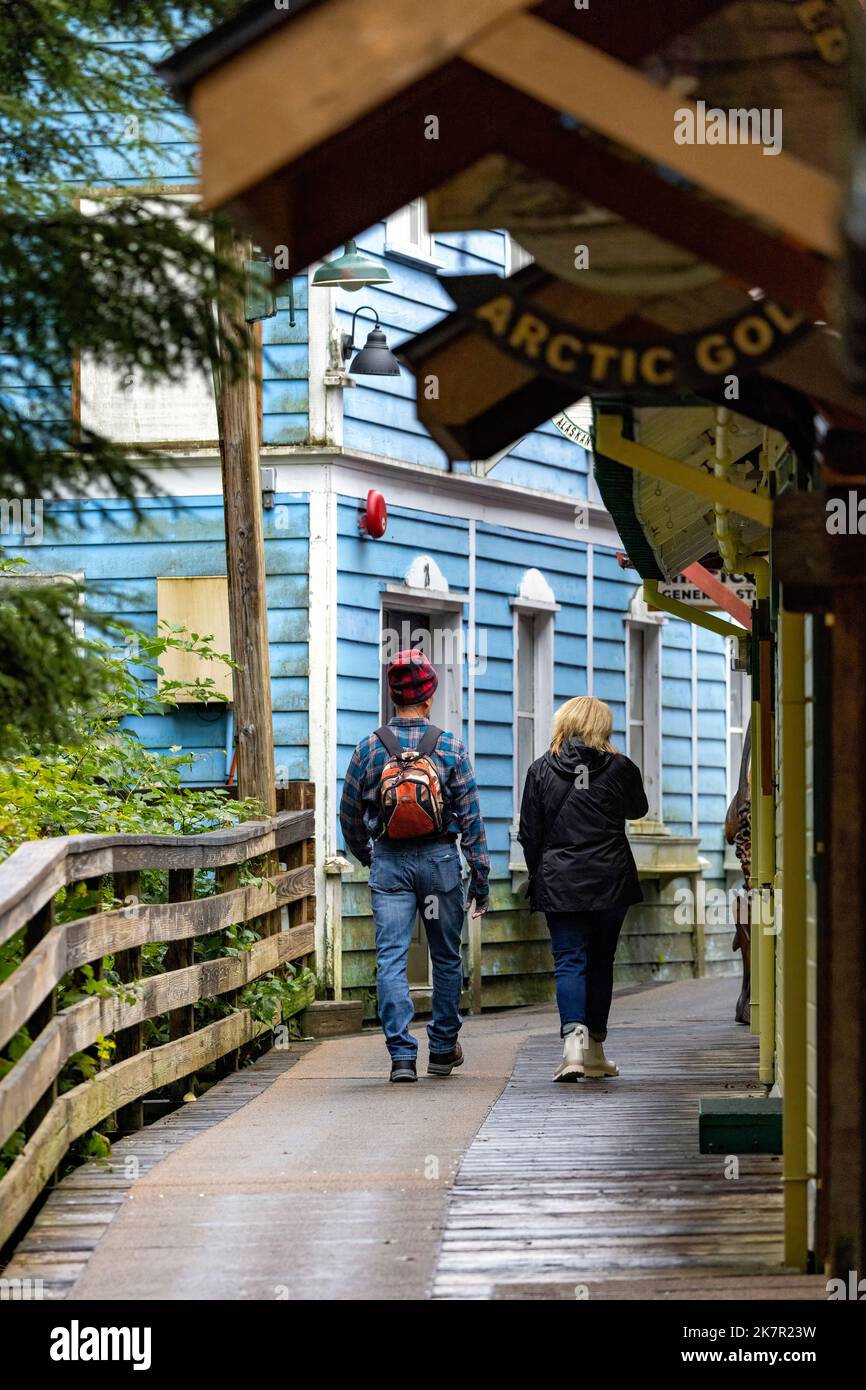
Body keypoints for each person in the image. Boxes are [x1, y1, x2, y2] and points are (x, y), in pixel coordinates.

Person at [340, 649, 489, 1083]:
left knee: (390, 958)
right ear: (428, 698)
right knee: (444, 956)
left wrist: (373, 857)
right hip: (441, 863)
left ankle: (402, 1056)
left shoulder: (369, 747)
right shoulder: (450, 747)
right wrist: (480, 878)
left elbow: (349, 815)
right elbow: (473, 820)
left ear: (393, 697)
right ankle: (442, 1049)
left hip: (390, 864)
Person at [518, 695, 648, 1082]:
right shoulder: (621, 767)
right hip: (611, 879)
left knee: (569, 960)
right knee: (600, 962)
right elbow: (637, 810)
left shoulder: (541, 770)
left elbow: (529, 833)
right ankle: (596, 1050)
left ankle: (573, 1048)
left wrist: (541, 874)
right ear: (603, 727)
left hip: (561, 881)